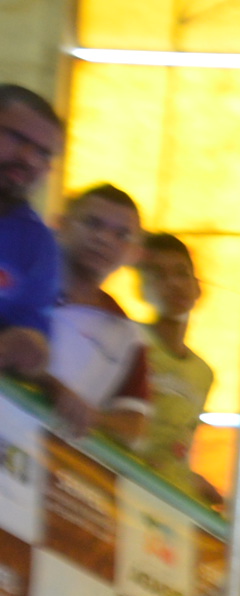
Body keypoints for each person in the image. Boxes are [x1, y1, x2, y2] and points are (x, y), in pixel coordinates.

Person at [49, 182, 147, 449]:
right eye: (93, 224)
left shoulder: (126, 334)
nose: (104, 239)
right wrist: (53, 389)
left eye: (122, 235)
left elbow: (134, 425)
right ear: (61, 224)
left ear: (134, 253)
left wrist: (92, 417)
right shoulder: (20, 284)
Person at [0, 85, 71, 425]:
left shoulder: (37, 244)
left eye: (44, 154)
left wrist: (30, 349)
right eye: (17, 138)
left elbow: (31, 340)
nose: (29, 159)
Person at [133, 230, 217, 505]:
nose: (173, 284)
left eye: (181, 273)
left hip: (171, 500)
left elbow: (178, 447)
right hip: (126, 484)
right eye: (158, 275)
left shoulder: (204, 374)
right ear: (142, 290)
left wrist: (193, 481)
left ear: (198, 287)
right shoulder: (130, 341)